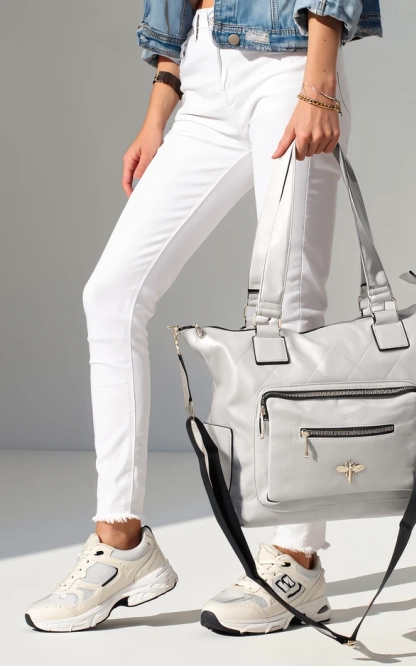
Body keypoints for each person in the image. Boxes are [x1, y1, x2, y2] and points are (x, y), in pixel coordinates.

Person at [25, 0, 382, 634]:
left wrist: (320, 79)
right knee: (111, 295)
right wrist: (159, 108)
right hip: (203, 69)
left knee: (290, 309)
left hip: (289, 61)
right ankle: (121, 543)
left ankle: (298, 559)